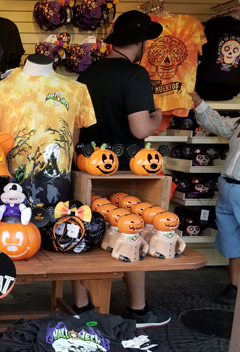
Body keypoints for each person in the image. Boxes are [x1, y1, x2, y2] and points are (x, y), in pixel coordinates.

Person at [74, 10, 171, 328]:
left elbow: (76, 125)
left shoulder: (87, 75)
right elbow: (140, 127)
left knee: (84, 236)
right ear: (140, 42)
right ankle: (138, 309)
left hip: (88, 166)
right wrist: (158, 117)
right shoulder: (135, 75)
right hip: (129, 170)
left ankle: (82, 307)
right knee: (134, 231)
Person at [189, 91, 240, 305]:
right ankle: (235, 286)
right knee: (232, 241)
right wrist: (199, 103)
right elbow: (220, 124)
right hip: (229, 187)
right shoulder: (239, 124)